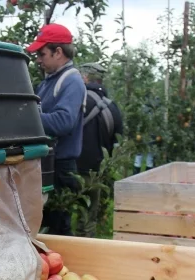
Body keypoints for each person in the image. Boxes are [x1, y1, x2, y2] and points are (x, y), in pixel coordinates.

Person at [26, 23, 87, 236]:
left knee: (60, 228)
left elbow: (63, 121)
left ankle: (63, 268)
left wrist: (26, 118)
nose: (39, 60)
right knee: (45, 224)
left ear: (58, 52)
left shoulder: (71, 81)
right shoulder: (47, 83)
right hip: (47, 164)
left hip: (61, 168)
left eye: (42, 54)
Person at [77, 62, 124, 177]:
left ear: (85, 78)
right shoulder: (113, 107)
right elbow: (117, 141)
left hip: (76, 172)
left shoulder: (77, 101)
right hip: (100, 174)